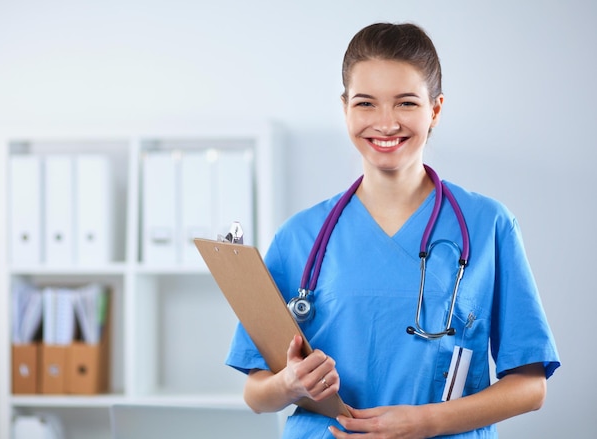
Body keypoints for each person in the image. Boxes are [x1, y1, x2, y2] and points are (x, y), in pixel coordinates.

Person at [226, 22, 560, 438]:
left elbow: (530, 386)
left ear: (434, 109)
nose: (385, 124)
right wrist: (288, 384)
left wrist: (425, 423)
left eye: (405, 103)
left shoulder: (488, 225)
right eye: (366, 104)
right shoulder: (300, 236)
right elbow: (257, 394)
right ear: (345, 108)